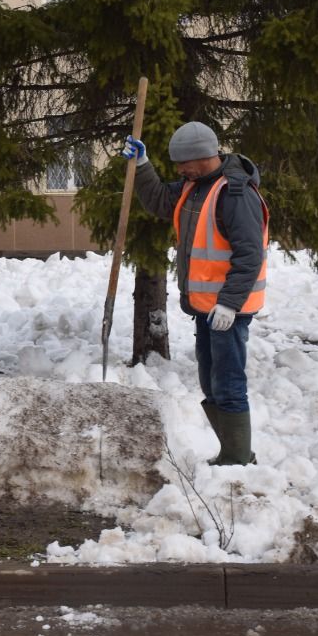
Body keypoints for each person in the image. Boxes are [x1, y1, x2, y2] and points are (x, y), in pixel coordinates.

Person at [121, 122, 269, 465]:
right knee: (210, 380)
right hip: (206, 307)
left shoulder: (235, 194)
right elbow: (159, 200)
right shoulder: (195, 187)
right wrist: (142, 166)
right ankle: (233, 451)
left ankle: (238, 459)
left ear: (205, 156)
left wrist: (230, 304)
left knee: (229, 384)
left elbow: (250, 255)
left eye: (183, 162)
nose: (179, 169)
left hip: (228, 309)